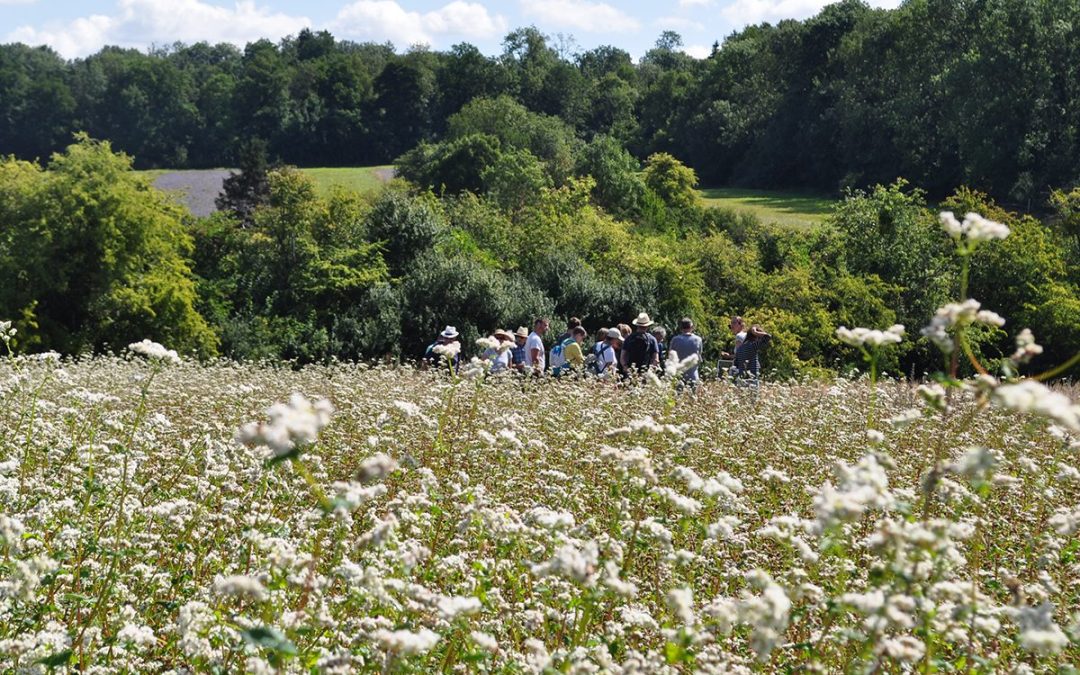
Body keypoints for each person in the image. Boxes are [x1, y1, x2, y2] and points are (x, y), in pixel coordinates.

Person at [668, 317, 703, 389]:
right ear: (692, 327)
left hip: (678, 375)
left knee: (677, 397)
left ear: (681, 327)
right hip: (693, 374)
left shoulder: (675, 339)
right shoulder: (698, 339)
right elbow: (699, 354)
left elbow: (670, 356)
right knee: (692, 398)